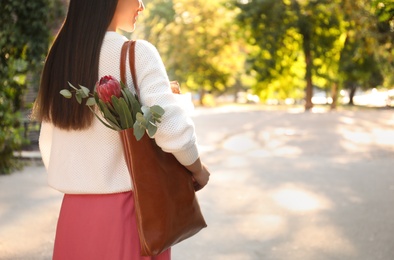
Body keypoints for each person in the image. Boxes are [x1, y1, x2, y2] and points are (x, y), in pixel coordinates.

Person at [32, 0, 210, 259]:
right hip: (130, 213)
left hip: (73, 215)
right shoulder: (137, 54)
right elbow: (171, 128)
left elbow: (48, 143)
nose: (142, 6)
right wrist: (198, 169)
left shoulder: (60, 59)